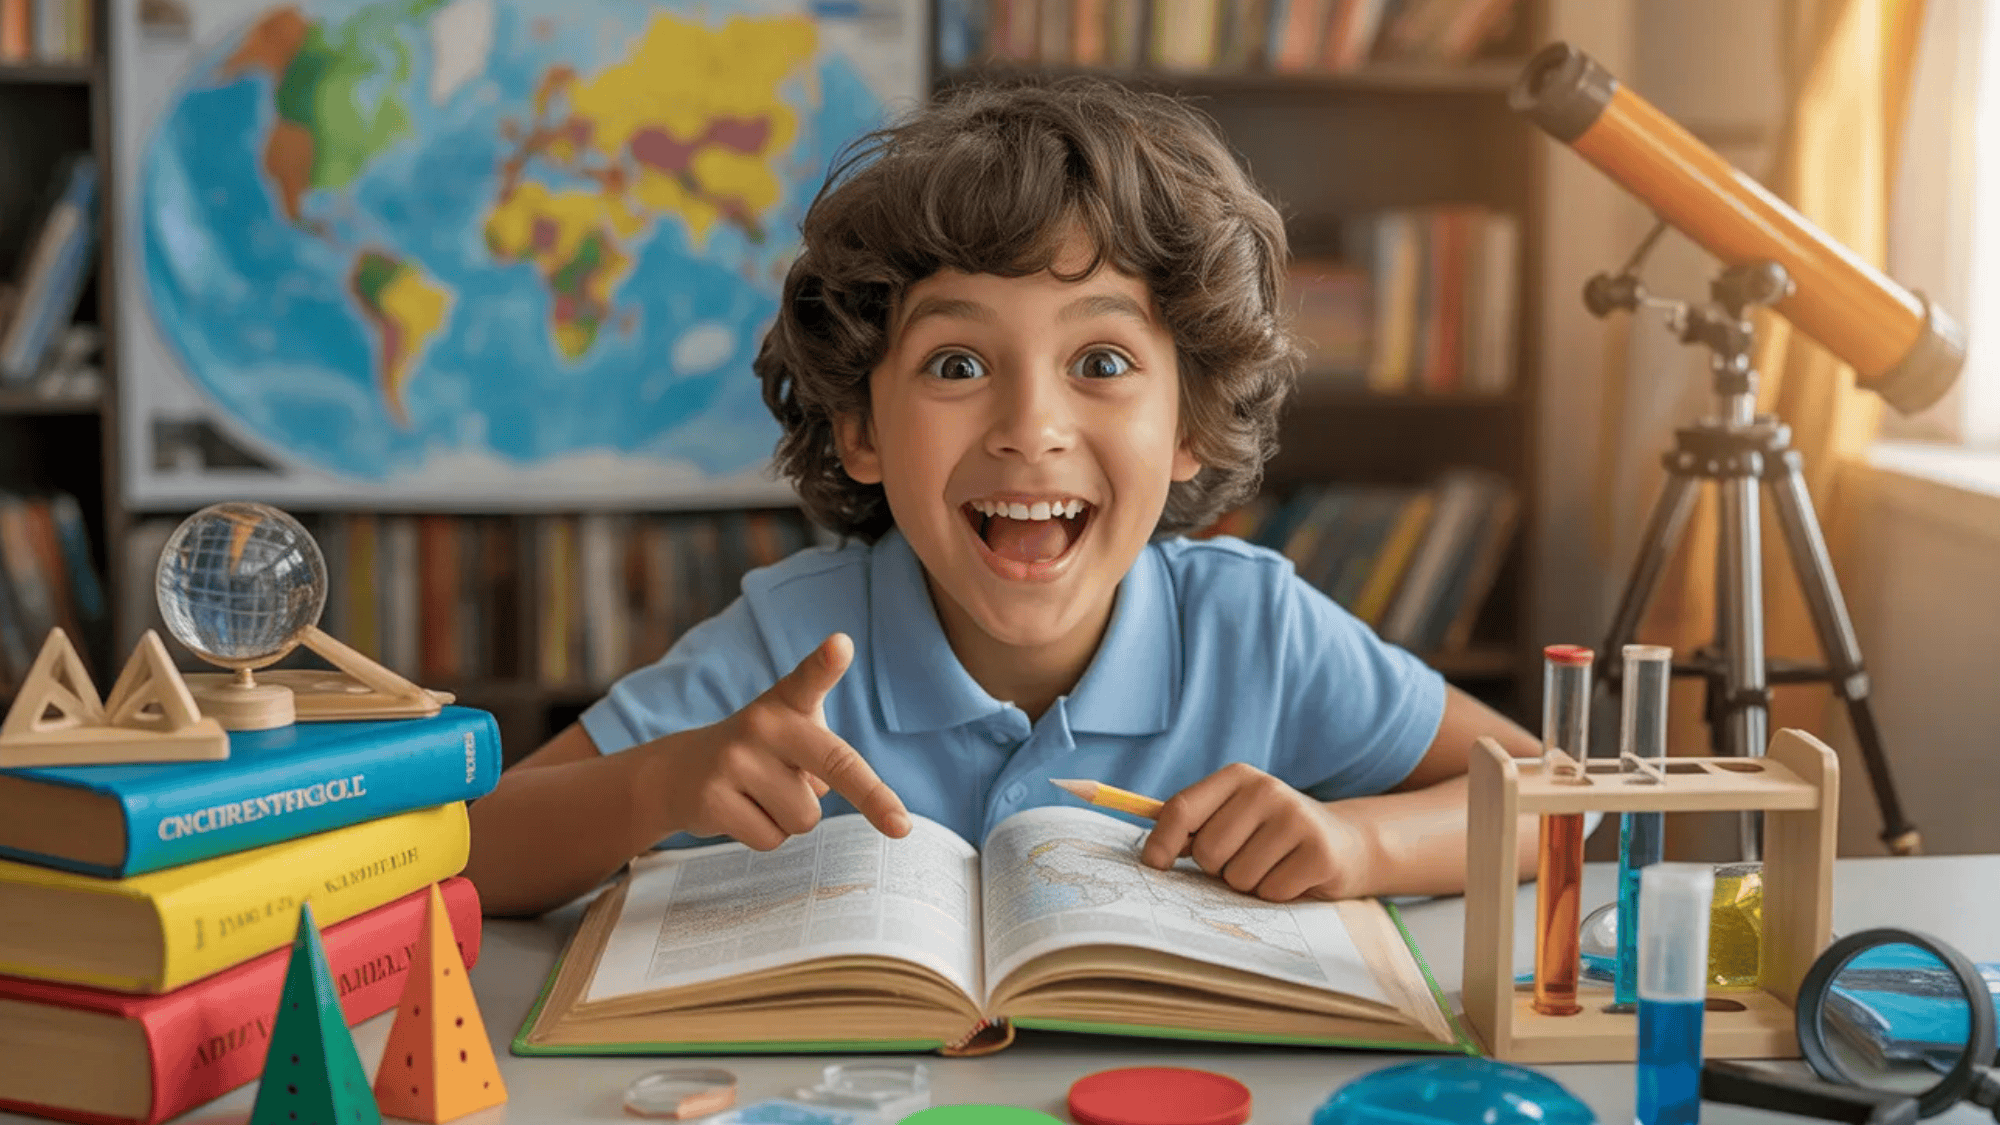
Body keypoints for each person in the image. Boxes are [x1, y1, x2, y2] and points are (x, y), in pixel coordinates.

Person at [465, 76, 1549, 919]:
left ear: (1186, 423)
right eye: (955, 365)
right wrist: (663, 785)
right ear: (860, 427)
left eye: (1103, 363)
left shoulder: (1255, 629)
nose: (1030, 427)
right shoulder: (792, 643)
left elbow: (1557, 807)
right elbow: (471, 844)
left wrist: (1361, 846)